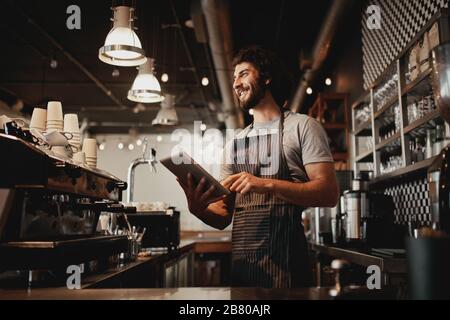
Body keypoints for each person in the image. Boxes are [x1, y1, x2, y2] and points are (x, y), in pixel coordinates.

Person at [178, 46, 339, 288]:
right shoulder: (234, 144)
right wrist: (199, 209)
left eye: (243, 74)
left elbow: (328, 193)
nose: (235, 84)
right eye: (233, 78)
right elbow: (223, 215)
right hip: (243, 272)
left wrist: (266, 184)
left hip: (288, 269)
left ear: (266, 77)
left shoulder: (302, 127)